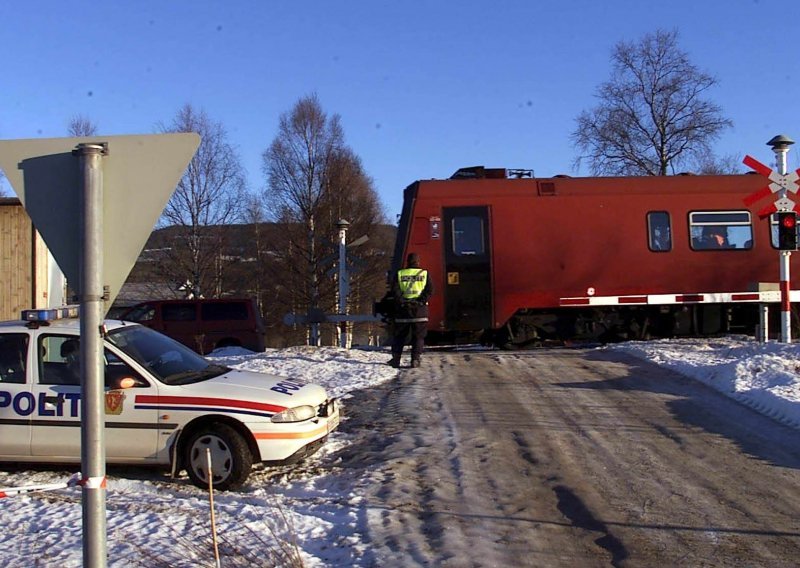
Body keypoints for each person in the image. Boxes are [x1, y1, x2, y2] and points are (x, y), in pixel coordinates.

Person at [388, 252, 433, 368]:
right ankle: (415, 360)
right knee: (418, 336)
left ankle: (396, 359)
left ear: (407, 262)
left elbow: (395, 291)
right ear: (418, 261)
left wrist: (403, 301)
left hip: (403, 311)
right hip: (420, 311)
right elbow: (430, 291)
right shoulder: (424, 274)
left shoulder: (400, 274)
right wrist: (420, 301)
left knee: (399, 336)